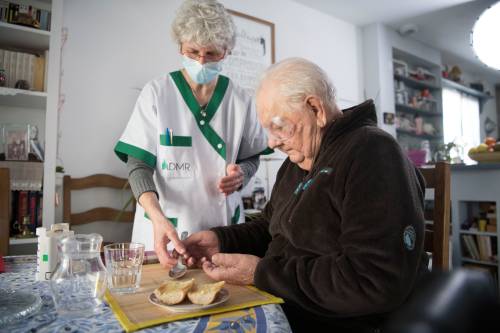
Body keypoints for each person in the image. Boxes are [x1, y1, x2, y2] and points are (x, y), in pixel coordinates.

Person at [184, 58, 429, 332]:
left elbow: (372, 280)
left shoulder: (372, 151)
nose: (272, 142)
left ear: (316, 109)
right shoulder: (297, 162)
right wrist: (222, 240)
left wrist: (261, 273)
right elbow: (270, 226)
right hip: (282, 304)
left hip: (335, 322)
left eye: (280, 126)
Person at [114, 0, 269, 269]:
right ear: (180, 47)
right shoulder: (157, 93)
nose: (201, 60)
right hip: (164, 230)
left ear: (227, 51)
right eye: (193, 51)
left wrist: (242, 173)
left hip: (223, 231)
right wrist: (156, 216)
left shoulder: (241, 101)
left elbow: (252, 157)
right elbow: (138, 165)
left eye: (211, 53)